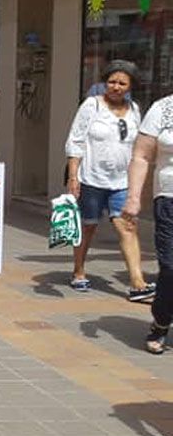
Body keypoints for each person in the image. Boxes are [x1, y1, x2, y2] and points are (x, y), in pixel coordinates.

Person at [65, 61, 153, 302]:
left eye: (122, 83)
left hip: (121, 182)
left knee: (127, 226)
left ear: (130, 86)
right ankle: (79, 270)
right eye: (112, 81)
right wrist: (74, 176)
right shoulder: (91, 106)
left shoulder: (134, 109)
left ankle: (138, 282)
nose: (116, 87)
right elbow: (76, 141)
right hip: (91, 179)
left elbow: (141, 147)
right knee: (88, 226)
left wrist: (138, 184)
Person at [123, 89, 173, 353]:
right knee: (170, 266)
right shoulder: (163, 109)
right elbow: (141, 156)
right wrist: (133, 197)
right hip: (168, 199)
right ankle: (162, 321)